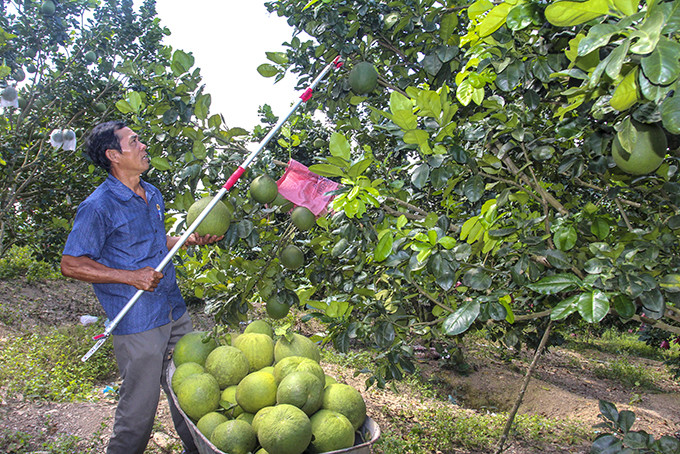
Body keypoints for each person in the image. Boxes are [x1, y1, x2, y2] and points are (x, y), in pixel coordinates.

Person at [61, 120, 221, 454]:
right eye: (134, 142)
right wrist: (130, 277)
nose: (143, 145)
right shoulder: (99, 206)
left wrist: (188, 240)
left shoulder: (152, 194)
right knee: (138, 413)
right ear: (113, 155)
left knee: (193, 398)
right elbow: (71, 263)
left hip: (174, 311)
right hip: (138, 323)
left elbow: (153, 242)